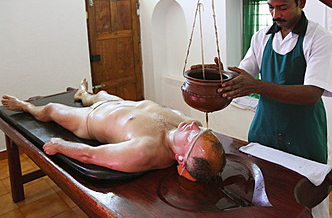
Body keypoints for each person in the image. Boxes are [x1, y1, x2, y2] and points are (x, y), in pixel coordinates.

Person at [217, 0, 332, 218]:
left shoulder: (319, 38)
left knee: (308, 204)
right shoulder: (261, 37)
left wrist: (257, 86)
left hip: (303, 137)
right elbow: (244, 74)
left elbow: (311, 94)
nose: (275, 15)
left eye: (282, 8)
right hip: (265, 132)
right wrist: (220, 76)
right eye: (271, 8)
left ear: (301, 2)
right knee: (265, 196)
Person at [1, 79, 226, 182]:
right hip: (117, 103)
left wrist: (60, 145)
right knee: (100, 95)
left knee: (49, 109)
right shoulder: (185, 124)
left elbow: (92, 155)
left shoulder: (145, 151)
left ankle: (26, 105)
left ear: (180, 158)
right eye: (201, 128)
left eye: (193, 135)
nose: (193, 126)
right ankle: (83, 94)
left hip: (88, 120)